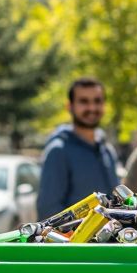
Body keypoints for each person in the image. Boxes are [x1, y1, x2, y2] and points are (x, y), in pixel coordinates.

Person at [37, 77, 121, 217]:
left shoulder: (107, 150)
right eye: (84, 101)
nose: (92, 108)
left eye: (97, 101)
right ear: (69, 106)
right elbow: (48, 212)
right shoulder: (58, 151)